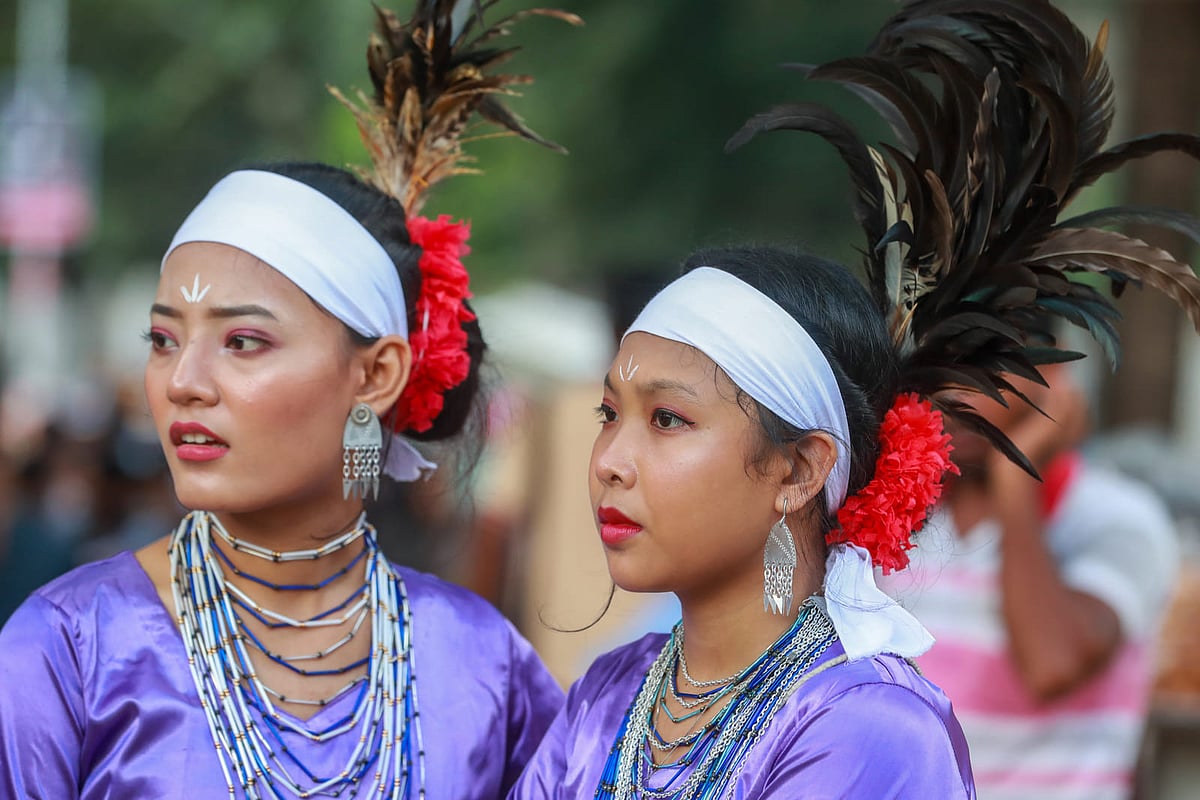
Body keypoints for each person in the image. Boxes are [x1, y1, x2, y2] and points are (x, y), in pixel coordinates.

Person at [508, 0, 1200, 797]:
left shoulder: (870, 729)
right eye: (610, 414)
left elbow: (1054, 662)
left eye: (667, 419)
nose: (609, 463)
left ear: (801, 470)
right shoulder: (610, 693)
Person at [0, 2, 579, 798]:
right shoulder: (66, 650)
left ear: (375, 375)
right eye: (163, 339)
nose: (183, 381)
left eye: (243, 342)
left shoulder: (482, 663)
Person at [881, 365, 1178, 800]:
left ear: (1052, 378)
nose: (958, 395)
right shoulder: (895, 521)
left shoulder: (1119, 520)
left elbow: (1051, 663)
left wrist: (1016, 478)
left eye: (986, 366)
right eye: (944, 366)